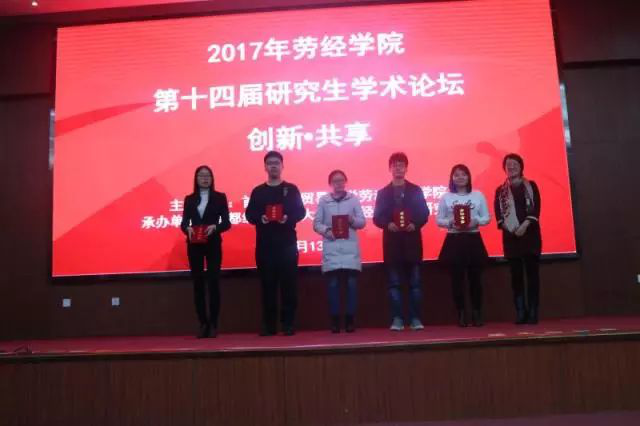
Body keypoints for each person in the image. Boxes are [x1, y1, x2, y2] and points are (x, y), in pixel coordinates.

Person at [246, 151, 306, 336]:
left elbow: (301, 212)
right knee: (267, 286)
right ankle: (269, 325)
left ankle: (288, 324)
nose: (273, 166)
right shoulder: (258, 191)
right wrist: (261, 218)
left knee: (289, 286)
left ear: (282, 166)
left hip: (287, 245)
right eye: (270, 163)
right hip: (265, 245)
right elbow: (249, 215)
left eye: (276, 163)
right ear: (265, 167)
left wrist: (288, 218)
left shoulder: (291, 189)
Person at [373, 152, 430, 331]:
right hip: (392, 244)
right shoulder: (383, 193)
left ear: (406, 168)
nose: (398, 168)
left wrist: (415, 223)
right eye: (395, 165)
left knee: (415, 285)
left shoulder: (416, 190)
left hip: (412, 243)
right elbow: (377, 217)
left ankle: (415, 318)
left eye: (401, 165)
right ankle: (397, 319)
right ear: (390, 168)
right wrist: (387, 224)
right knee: (394, 285)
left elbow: (424, 213)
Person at [180, 165, 231, 338]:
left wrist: (215, 227)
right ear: (196, 179)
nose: (205, 178)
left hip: (213, 243)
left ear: (212, 178)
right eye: (201, 175)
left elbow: (227, 223)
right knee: (198, 283)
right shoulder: (189, 199)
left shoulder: (220, 197)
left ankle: (214, 323)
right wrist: (187, 229)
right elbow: (184, 223)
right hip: (194, 244)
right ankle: (203, 323)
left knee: (213, 282)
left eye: (208, 175)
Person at [437, 164, 490, 327]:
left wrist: (476, 221)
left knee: (475, 279)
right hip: (454, 240)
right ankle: (461, 314)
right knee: (457, 279)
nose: (460, 177)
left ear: (468, 177)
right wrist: (450, 222)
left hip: (473, 239)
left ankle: (477, 313)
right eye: (456, 175)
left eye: (463, 174)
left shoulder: (478, 195)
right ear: (452, 178)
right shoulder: (446, 197)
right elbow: (439, 220)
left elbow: (487, 218)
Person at [313, 170, 366, 333]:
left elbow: (362, 222)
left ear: (345, 182)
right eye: (335, 181)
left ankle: (350, 320)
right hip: (332, 247)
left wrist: (352, 220)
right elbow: (316, 223)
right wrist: (327, 231)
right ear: (330, 184)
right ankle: (335, 321)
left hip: (350, 249)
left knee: (351, 285)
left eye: (341, 180)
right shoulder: (324, 200)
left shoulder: (353, 199)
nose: (339, 183)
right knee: (333, 285)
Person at [494, 153, 542, 324]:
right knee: (516, 277)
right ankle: (521, 312)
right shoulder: (500, 191)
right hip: (511, 238)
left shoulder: (531, 186)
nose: (511, 167)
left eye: (515, 164)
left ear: (521, 167)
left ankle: (533, 312)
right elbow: (499, 217)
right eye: (508, 165)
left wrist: (524, 226)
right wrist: (512, 228)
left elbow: (536, 209)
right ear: (504, 168)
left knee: (532, 275)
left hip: (530, 236)